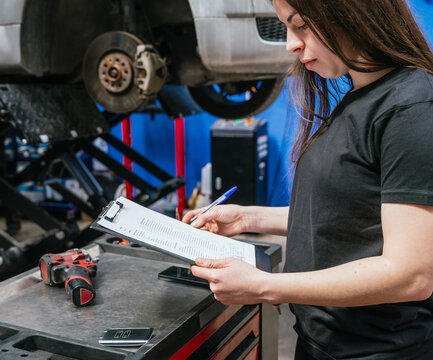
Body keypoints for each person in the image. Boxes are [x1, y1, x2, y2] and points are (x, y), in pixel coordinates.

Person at [182, 0, 433, 359]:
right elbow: (348, 216)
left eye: (300, 25)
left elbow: (410, 275)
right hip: (327, 342)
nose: (291, 44)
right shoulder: (362, 95)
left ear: (351, 12)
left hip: (377, 350)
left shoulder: (411, 107)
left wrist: (267, 287)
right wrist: (247, 218)